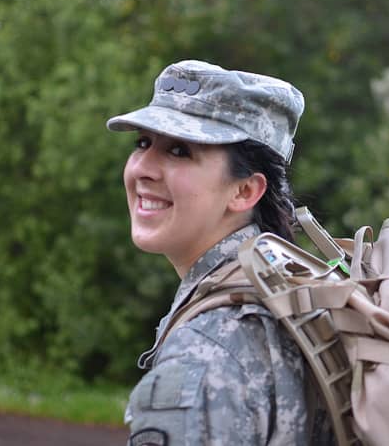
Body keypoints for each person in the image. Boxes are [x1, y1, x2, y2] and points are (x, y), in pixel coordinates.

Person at [107, 60, 334, 445]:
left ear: (245, 191)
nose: (143, 167)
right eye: (143, 143)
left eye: (180, 151)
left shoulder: (204, 355)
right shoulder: (291, 288)